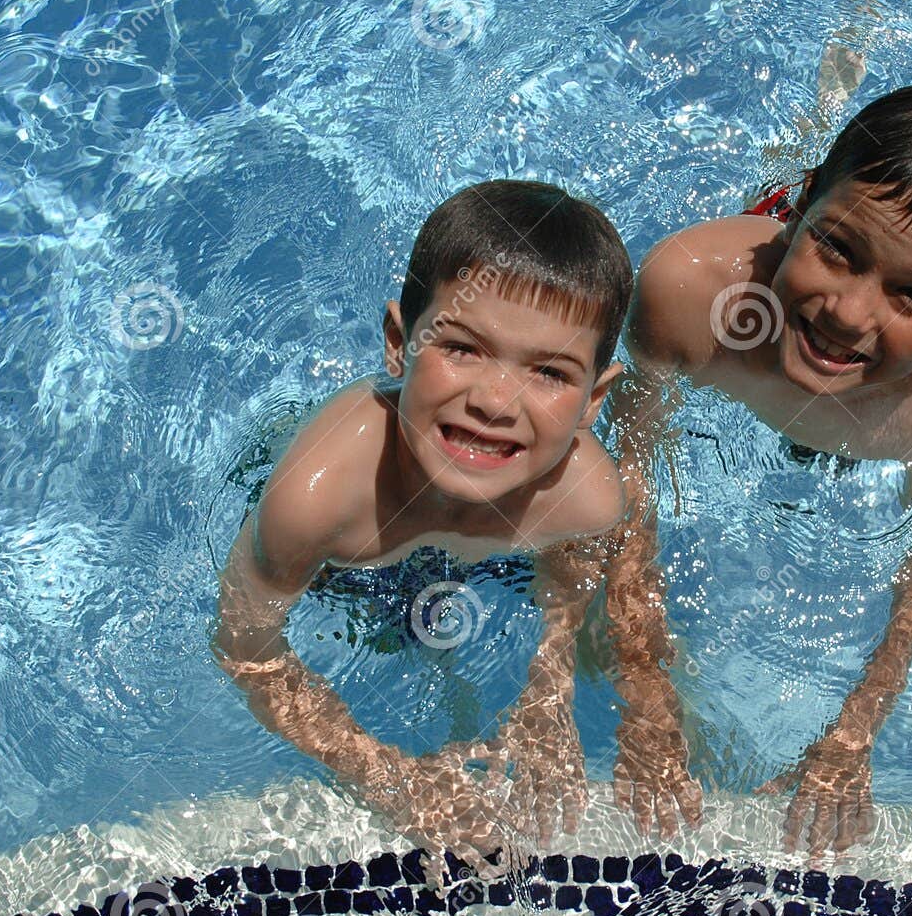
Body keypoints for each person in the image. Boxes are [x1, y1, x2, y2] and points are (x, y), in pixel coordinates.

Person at [607, 83, 912, 858]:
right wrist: (641, 673)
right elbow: (627, 462)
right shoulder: (689, 292)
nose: (847, 314)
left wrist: (854, 732)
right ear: (804, 213)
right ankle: (822, 111)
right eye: (837, 250)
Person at [211, 179, 632, 870]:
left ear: (594, 401)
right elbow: (245, 646)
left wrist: (548, 690)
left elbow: (573, 579)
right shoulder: (317, 498)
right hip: (344, 575)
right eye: (462, 348)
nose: (495, 401)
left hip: (473, 559)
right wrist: (393, 781)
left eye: (551, 373)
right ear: (397, 345)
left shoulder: (584, 499)